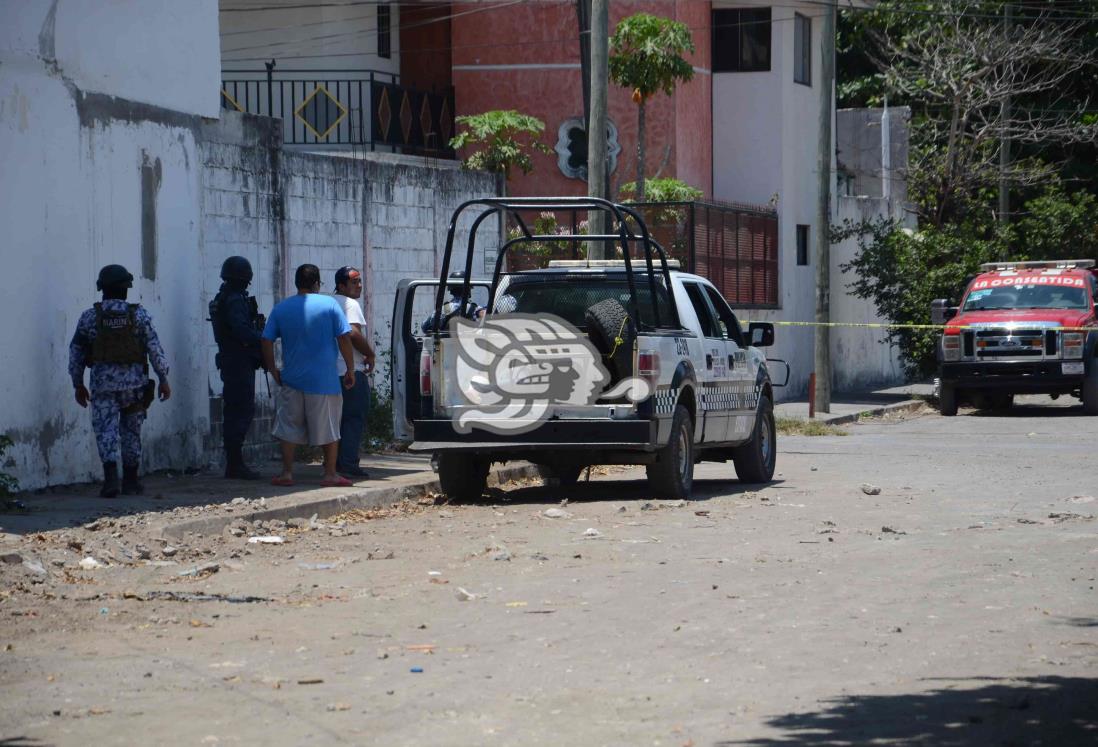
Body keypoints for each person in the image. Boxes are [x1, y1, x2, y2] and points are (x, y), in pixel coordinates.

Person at [68, 264, 171, 497]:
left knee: (106, 431)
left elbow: (76, 353)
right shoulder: (139, 315)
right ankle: (132, 481)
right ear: (127, 288)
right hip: (134, 387)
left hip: (102, 386)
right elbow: (155, 350)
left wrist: (78, 384)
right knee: (131, 432)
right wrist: (163, 378)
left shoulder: (89, 318)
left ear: (101, 288)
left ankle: (111, 480)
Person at [261, 264, 355, 487]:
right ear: (317, 283)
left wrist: (273, 369)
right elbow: (344, 337)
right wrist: (350, 369)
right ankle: (330, 473)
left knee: (288, 427)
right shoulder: (330, 304)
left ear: (296, 283)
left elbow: (266, 339)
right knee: (330, 428)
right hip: (324, 381)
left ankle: (286, 473)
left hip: (291, 379)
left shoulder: (281, 308)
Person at [209, 256, 265, 480]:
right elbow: (242, 331)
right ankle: (235, 463)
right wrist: (262, 337)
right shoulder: (233, 300)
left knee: (235, 410)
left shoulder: (225, 297)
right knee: (241, 410)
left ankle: (234, 461)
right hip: (238, 360)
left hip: (232, 359)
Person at [332, 266, 377, 479]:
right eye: (354, 282)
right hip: (351, 371)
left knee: (335, 420)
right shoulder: (350, 304)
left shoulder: (328, 303)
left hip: (330, 372)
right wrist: (370, 354)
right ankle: (348, 463)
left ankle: (334, 462)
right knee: (353, 418)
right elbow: (353, 333)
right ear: (341, 286)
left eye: (360, 281)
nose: (359, 286)